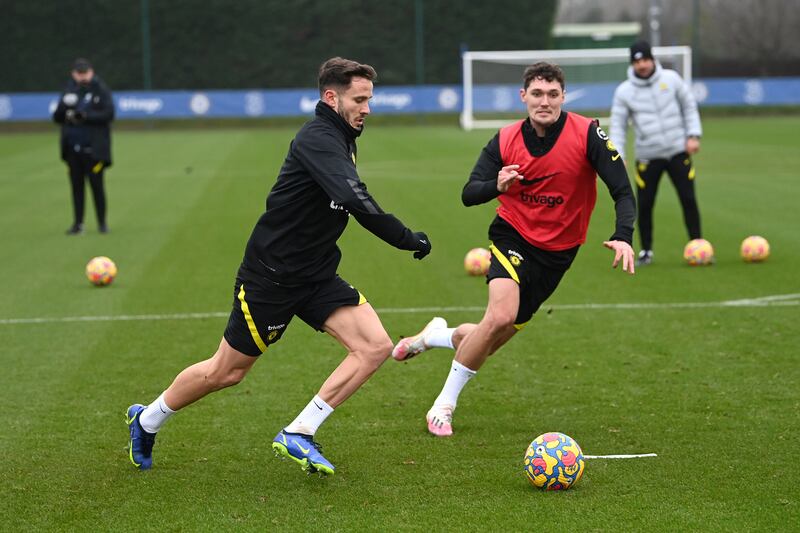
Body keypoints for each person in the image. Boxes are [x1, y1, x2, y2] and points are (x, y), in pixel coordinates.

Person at [125, 57, 431, 475]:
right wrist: (405, 237)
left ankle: (300, 432)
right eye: (360, 100)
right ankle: (147, 420)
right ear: (331, 97)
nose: (367, 108)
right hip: (272, 277)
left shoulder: (342, 133)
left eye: (369, 100)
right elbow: (355, 198)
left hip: (317, 273)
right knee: (226, 372)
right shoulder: (318, 139)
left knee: (374, 346)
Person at [391, 62, 636, 437]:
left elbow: (621, 189)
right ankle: (443, 406)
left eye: (553, 94)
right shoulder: (505, 140)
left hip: (558, 254)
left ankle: (433, 336)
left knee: (489, 337)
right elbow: (469, 193)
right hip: (513, 236)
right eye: (537, 94)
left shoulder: (587, 133)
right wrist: (497, 184)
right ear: (523, 96)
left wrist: (623, 235)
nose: (545, 101)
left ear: (563, 97)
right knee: (500, 317)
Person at [610, 40, 703, 266]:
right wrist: (618, 154)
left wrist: (693, 135)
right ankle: (646, 251)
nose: (642, 65)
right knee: (645, 204)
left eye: (645, 60)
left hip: (678, 151)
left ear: (652, 60)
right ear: (632, 64)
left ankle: (698, 246)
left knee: (688, 199)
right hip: (648, 156)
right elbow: (618, 125)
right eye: (637, 61)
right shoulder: (624, 91)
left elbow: (689, 106)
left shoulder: (671, 79)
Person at [53, 58, 114, 235]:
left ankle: (102, 223)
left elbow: (109, 114)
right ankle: (78, 224)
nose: (82, 76)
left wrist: (85, 116)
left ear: (91, 72)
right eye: (79, 73)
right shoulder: (69, 91)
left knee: (97, 185)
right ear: (74, 74)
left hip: (94, 150)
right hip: (73, 150)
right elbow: (57, 118)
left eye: (85, 72)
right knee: (76, 187)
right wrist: (65, 106)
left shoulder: (101, 90)